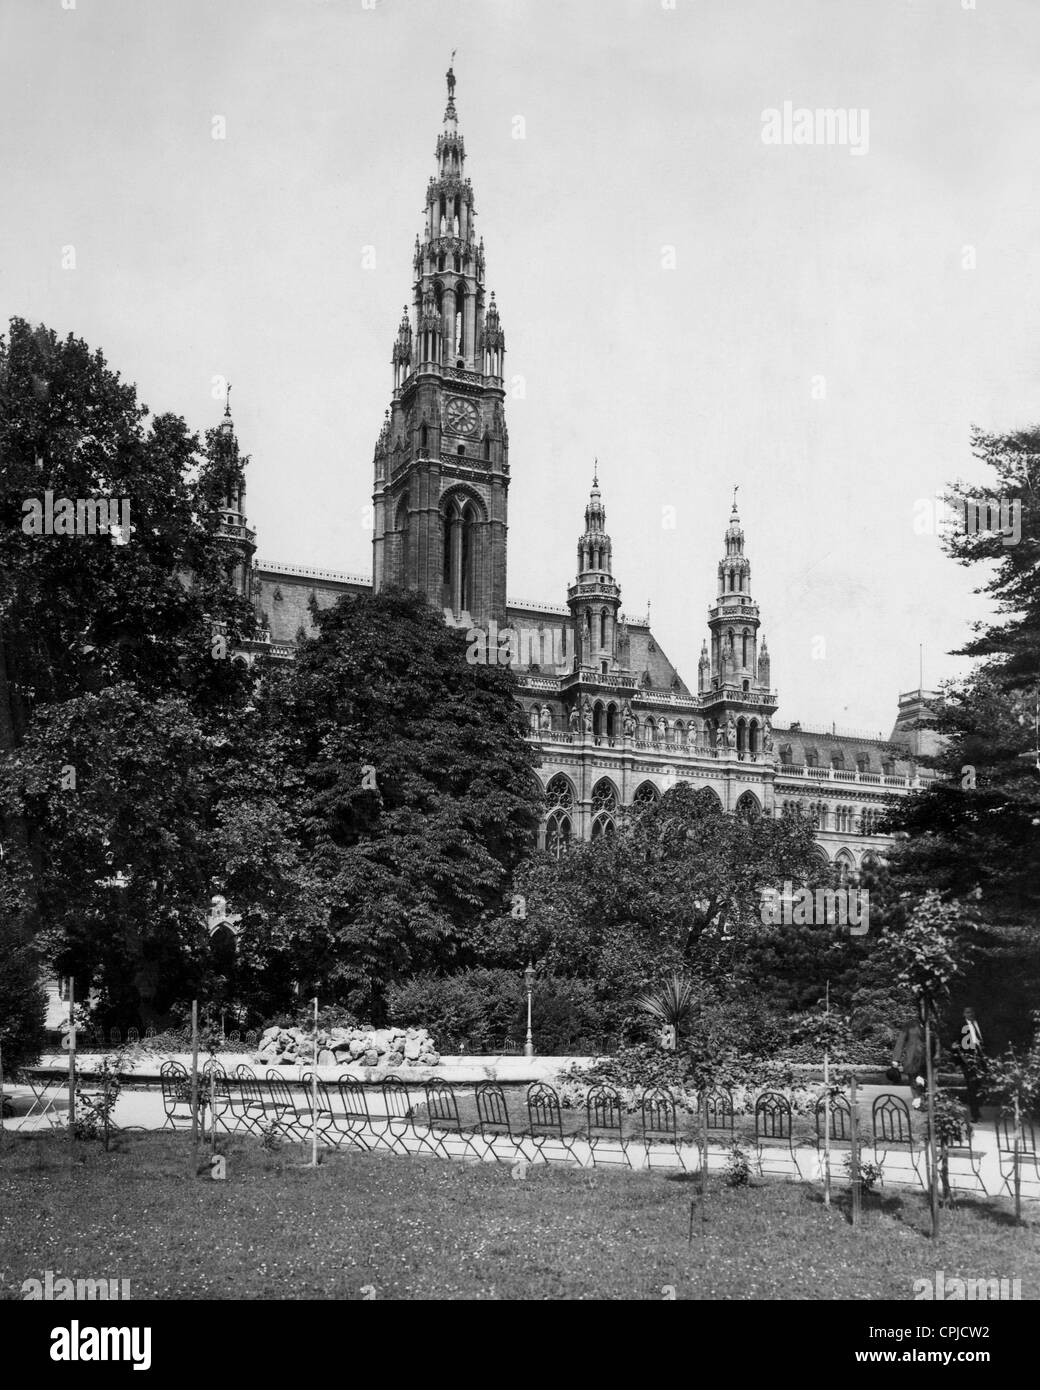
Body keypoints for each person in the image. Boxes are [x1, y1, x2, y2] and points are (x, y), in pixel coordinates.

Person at [891, 1014, 940, 1110]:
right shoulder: (909, 1025)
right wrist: (896, 1059)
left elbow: (937, 1040)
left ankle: (925, 1102)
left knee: (925, 1082)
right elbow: (900, 1041)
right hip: (911, 1058)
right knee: (914, 1082)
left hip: (927, 1060)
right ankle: (918, 1103)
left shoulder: (931, 1025)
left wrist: (937, 1054)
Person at [951, 1006, 986, 1123]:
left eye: (971, 1012)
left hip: (981, 1058)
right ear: (963, 1014)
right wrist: (959, 1061)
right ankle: (975, 1115)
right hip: (968, 1060)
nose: (970, 1014)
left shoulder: (978, 1024)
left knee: (980, 1085)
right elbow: (955, 1044)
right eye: (967, 1012)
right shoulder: (961, 1026)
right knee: (972, 1087)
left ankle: (978, 1111)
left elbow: (981, 1039)